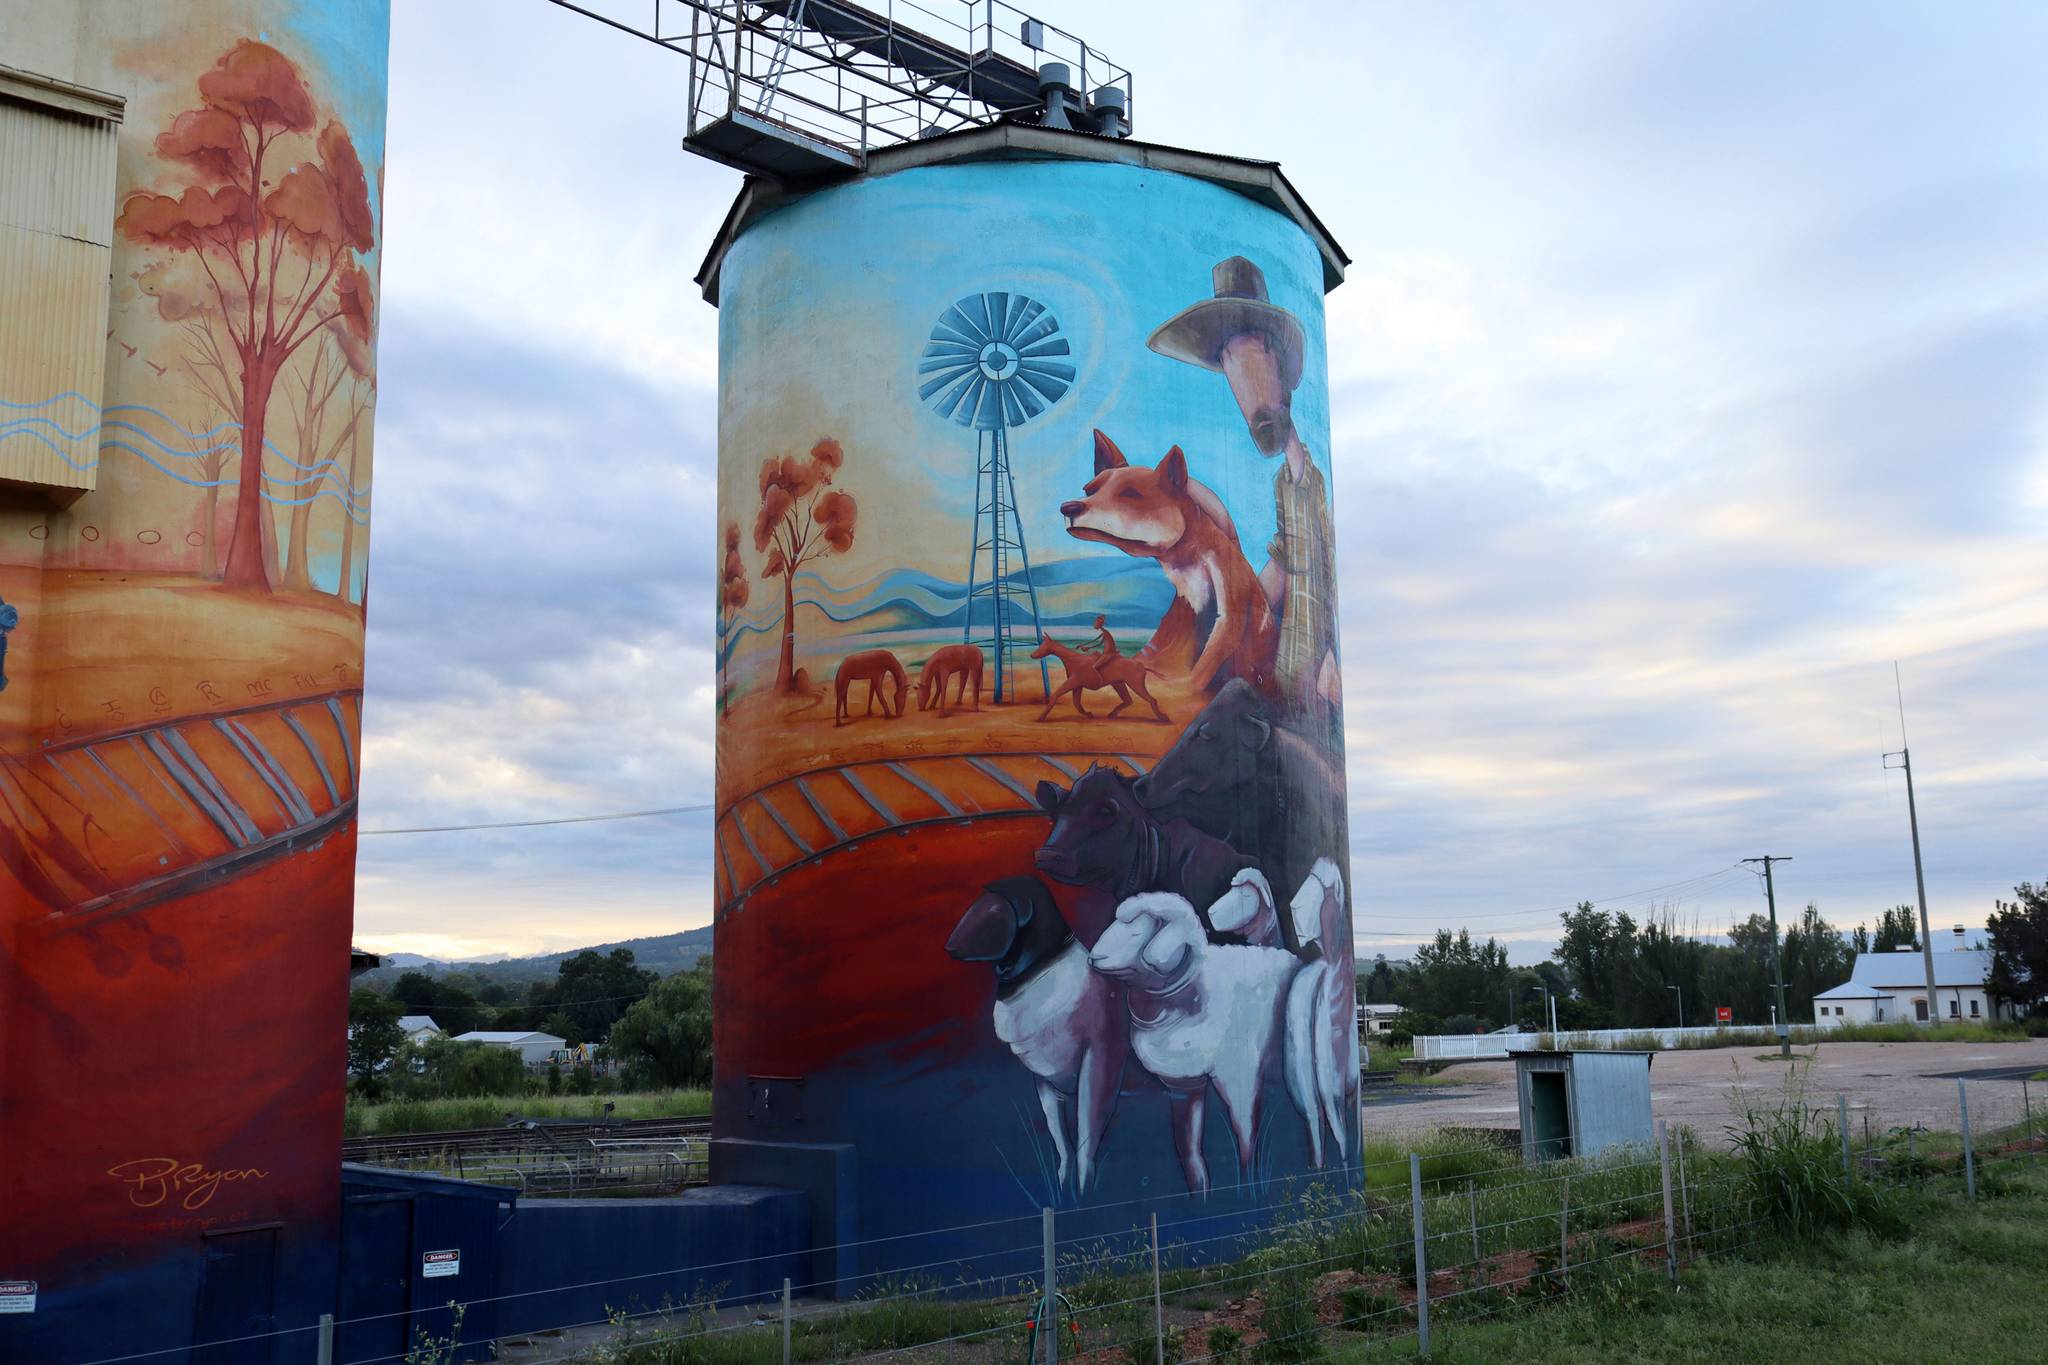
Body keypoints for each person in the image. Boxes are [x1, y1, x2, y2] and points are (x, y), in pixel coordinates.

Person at [1147, 257, 1340, 731]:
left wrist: (1331, 651)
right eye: (1229, 364)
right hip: (1288, 659)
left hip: (1312, 656)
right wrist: (1248, 602)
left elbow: (1314, 550)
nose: (1240, 379)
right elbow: (1287, 559)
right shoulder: (1285, 483)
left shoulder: (1305, 480)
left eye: (1249, 357)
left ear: (1274, 361)